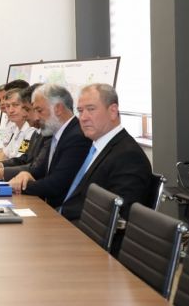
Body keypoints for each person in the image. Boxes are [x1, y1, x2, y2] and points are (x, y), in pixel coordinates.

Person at [59, 84, 152, 221]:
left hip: (82, 230)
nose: (83, 118)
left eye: (91, 109)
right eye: (80, 111)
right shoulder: (95, 146)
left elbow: (116, 216)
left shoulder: (129, 157)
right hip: (64, 219)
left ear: (113, 111)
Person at [8, 84, 92, 207]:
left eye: (39, 110)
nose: (36, 117)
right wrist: (25, 175)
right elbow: (41, 171)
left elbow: (56, 184)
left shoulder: (77, 137)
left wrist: (20, 186)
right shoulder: (55, 132)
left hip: (63, 211)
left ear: (58, 109)